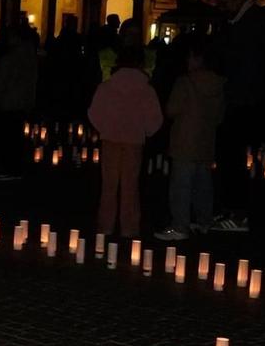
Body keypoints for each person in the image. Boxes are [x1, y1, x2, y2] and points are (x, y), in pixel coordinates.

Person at [209, 0, 265, 232]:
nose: (223, 8)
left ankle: (238, 213)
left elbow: (247, 64)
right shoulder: (241, 22)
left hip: (245, 101)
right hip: (242, 98)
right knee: (230, 157)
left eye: (226, 2)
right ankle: (232, 209)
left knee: (234, 156)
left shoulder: (253, 24)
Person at [87, 43, 162, 236]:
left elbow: (94, 113)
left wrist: (106, 127)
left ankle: (105, 226)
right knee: (131, 186)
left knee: (109, 186)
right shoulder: (146, 89)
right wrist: (145, 131)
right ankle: (129, 228)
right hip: (134, 141)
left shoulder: (107, 86)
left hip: (110, 139)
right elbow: (155, 119)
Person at [156, 35, 225, 241]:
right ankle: (204, 221)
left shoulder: (185, 82)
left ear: (195, 58)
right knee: (203, 184)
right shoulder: (218, 84)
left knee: (181, 186)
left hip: (185, 140)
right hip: (206, 140)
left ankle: (180, 226)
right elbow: (220, 116)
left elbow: (171, 109)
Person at [0, 27, 40, 180]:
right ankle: (16, 168)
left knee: (6, 138)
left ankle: (9, 169)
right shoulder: (30, 58)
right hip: (21, 104)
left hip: (7, 103)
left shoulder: (9, 58)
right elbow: (32, 83)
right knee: (16, 137)